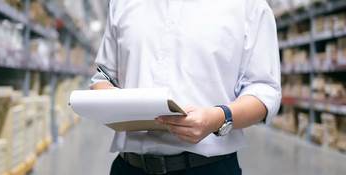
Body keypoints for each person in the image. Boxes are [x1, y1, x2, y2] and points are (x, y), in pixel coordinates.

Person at [90, 0, 281, 174]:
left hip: (208, 168)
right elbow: (104, 76)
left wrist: (218, 118)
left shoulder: (249, 6)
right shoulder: (122, 3)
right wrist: (110, 100)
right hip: (129, 167)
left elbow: (264, 90)